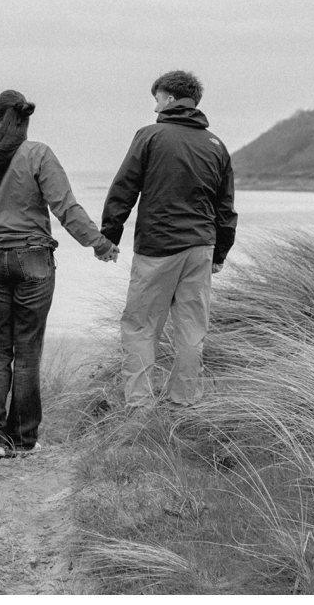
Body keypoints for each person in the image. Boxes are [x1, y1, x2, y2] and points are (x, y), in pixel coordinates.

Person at [0, 88, 118, 457]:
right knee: (27, 352)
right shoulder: (37, 154)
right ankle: (24, 439)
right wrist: (100, 244)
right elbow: (66, 207)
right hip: (33, 260)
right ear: (24, 120)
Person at [100, 69, 236, 409]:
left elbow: (124, 188)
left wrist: (110, 236)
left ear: (170, 99)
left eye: (157, 99)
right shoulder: (216, 145)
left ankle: (141, 408)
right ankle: (184, 404)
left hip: (158, 247)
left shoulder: (150, 136)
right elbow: (226, 208)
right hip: (200, 249)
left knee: (141, 326)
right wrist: (219, 253)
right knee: (191, 331)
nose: (155, 107)